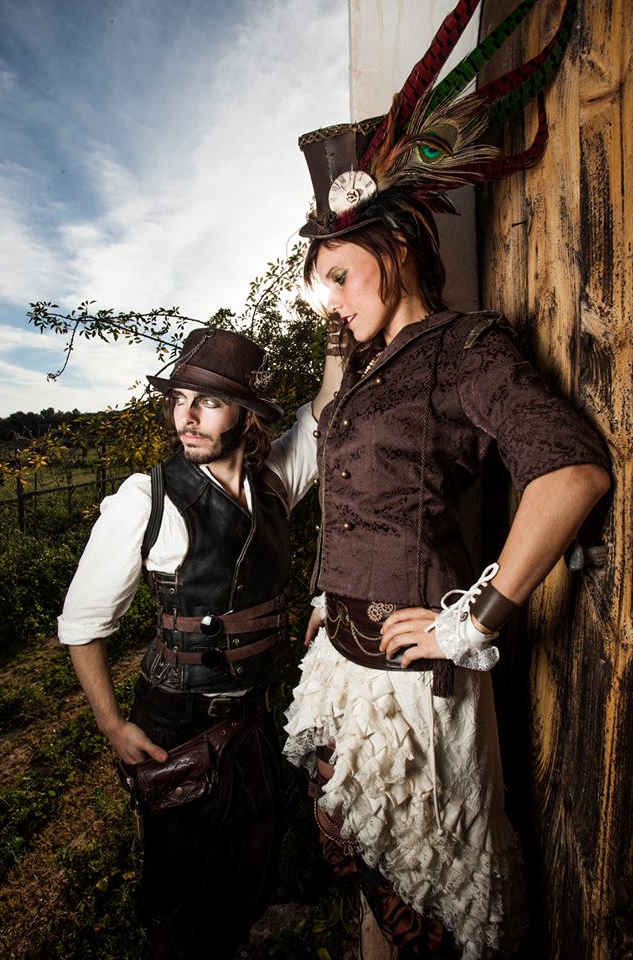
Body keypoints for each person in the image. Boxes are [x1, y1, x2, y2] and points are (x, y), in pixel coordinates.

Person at [283, 3, 610, 959]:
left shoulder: (465, 348)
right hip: (340, 655)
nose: (330, 302)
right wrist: (323, 598)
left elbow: (571, 472)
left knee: (429, 904)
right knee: (359, 875)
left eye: (340, 277)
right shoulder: (361, 373)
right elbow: (353, 496)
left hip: (416, 682)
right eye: (320, 285)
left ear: (393, 251)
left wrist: (474, 620)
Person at [58, 326, 341, 960]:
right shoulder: (146, 499)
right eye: (179, 399)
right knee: (181, 889)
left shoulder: (274, 483)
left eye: (208, 402)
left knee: (249, 870)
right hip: (175, 721)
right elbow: (81, 624)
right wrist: (111, 725)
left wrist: (337, 332)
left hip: (251, 716)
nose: (185, 417)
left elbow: (322, 412)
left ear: (245, 414)